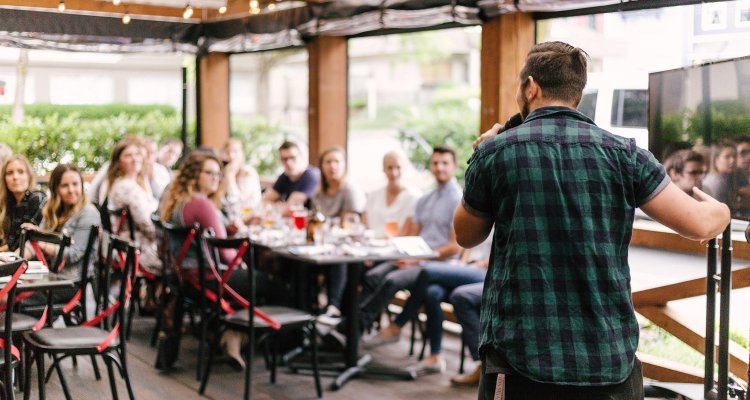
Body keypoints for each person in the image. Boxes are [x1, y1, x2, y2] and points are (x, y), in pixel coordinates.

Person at [455, 41, 730, 400]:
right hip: (607, 360)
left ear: (531, 86)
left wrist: (480, 157)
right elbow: (701, 225)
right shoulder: (625, 154)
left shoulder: (497, 151)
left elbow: (466, 234)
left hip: (521, 359)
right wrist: (722, 211)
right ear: (577, 92)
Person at [358, 145, 462, 363]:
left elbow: (455, 247)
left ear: (454, 166)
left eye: (445, 163)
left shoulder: (458, 200)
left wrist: (419, 258)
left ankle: (356, 327)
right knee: (372, 275)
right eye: (435, 163)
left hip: (437, 264)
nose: (439, 168)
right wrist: (405, 254)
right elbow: (412, 235)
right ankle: (357, 327)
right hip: (415, 259)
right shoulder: (425, 199)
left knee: (390, 280)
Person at [159, 150, 250, 370]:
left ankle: (229, 332)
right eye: (209, 173)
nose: (215, 179)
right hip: (209, 279)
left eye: (218, 174)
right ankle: (236, 333)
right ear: (193, 176)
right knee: (274, 284)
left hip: (185, 280)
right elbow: (225, 255)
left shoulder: (178, 200)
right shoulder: (202, 204)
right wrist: (242, 261)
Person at [368, 236, 491, 374]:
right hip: (462, 268)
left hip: (481, 272)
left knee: (426, 272)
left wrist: (468, 266)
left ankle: (397, 325)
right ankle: (435, 357)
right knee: (431, 293)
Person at [21, 164, 99, 305]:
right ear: (56, 188)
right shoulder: (52, 209)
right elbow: (33, 244)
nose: (71, 190)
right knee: (8, 290)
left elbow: (74, 254)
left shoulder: (88, 213)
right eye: (64, 185)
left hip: (70, 282)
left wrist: (42, 243)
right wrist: (13, 261)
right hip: (49, 276)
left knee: (10, 298)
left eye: (75, 184)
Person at [312, 147, 365, 317]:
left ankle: (333, 308)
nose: (332, 166)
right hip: (323, 246)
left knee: (337, 258)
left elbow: (347, 225)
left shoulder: (350, 190)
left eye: (337, 162)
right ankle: (308, 308)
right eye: (328, 162)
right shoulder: (319, 192)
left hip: (348, 249)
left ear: (344, 165)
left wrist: (325, 225)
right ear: (322, 166)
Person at [99, 137, 162, 277]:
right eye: (128, 155)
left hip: (131, 247)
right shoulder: (126, 187)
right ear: (118, 162)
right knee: (182, 261)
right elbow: (147, 224)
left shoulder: (133, 183)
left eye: (137, 154)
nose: (135, 159)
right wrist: (168, 237)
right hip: (136, 251)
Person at [362, 151, 420, 238]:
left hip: (396, 247)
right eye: (390, 168)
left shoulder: (413, 196)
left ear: (404, 168)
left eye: (398, 167)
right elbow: (363, 225)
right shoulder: (373, 195)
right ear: (383, 169)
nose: (394, 173)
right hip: (369, 244)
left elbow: (406, 232)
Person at [0, 155, 47, 252]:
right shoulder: (7, 204)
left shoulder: (37, 198)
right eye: (9, 173)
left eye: (21, 172)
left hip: (32, 262)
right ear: (4, 178)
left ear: (29, 176)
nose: (15, 177)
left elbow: (18, 242)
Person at [263, 141, 320, 208]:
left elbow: (291, 208)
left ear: (301, 157)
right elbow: (265, 201)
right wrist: (281, 206)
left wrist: (280, 206)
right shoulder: (285, 176)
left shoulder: (311, 175)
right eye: (284, 159)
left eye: (293, 158)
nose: (289, 163)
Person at [221, 138, 262, 218]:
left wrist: (230, 178)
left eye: (235, 152)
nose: (231, 156)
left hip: (250, 217)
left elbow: (239, 202)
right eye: (227, 152)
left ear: (242, 154)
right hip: (231, 216)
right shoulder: (223, 172)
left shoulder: (249, 173)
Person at [702, 141, 737, 206]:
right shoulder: (714, 182)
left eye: (734, 156)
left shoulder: (726, 178)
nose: (732, 160)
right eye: (727, 157)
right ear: (716, 160)